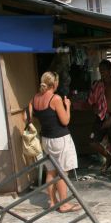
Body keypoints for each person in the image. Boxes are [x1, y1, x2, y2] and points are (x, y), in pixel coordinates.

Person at [28, 71, 80, 213]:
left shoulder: (35, 98)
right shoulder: (55, 99)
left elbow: (26, 116)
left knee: (50, 171)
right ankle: (63, 204)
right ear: (54, 83)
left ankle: (52, 202)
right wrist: (67, 105)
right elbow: (65, 121)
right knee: (62, 173)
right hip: (60, 139)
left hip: (46, 139)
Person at [89, 59, 111, 183]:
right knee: (92, 141)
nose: (102, 73)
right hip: (100, 116)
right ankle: (108, 157)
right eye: (100, 71)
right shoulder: (98, 84)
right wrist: (94, 108)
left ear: (110, 71)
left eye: (104, 71)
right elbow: (93, 100)